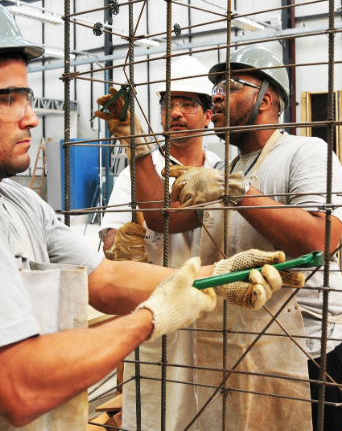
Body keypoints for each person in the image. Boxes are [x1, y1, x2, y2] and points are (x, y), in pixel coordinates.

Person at [0, 0, 220, 431]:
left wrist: (218, 278)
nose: (31, 117)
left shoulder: (16, 199)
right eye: (7, 99)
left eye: (27, 97)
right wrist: (151, 318)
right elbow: (19, 386)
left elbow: (107, 279)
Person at [158, 45, 342, 431]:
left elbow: (321, 239)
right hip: (247, 350)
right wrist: (137, 147)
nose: (216, 95)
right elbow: (164, 222)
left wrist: (232, 190)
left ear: (267, 99)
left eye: (231, 86)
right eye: (216, 85)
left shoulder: (305, 152)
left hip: (313, 353)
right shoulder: (230, 169)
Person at [99, 55, 221, 431]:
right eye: (169, 104)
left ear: (208, 115)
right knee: (156, 412)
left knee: (212, 409)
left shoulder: (220, 172)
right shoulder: (138, 171)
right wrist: (122, 244)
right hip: (159, 315)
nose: (176, 113)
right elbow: (110, 234)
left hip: (210, 312)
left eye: (188, 104)